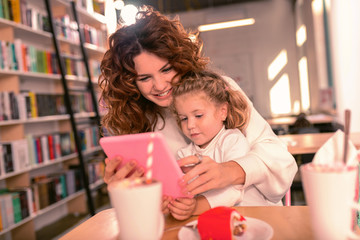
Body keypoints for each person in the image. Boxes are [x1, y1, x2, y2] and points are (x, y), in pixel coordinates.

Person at [99, 6, 297, 208]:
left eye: (166, 69)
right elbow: (151, 201)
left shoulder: (216, 89)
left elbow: (281, 159)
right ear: (129, 82)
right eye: (145, 78)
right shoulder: (134, 119)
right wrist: (125, 190)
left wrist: (231, 170)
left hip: (252, 215)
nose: (159, 85)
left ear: (180, 61)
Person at [164, 70, 268, 220]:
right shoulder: (184, 155)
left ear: (222, 112)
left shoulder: (232, 140)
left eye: (198, 115)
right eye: (184, 118)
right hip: (215, 220)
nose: (190, 125)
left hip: (251, 218)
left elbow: (233, 191)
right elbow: (183, 193)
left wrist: (194, 207)